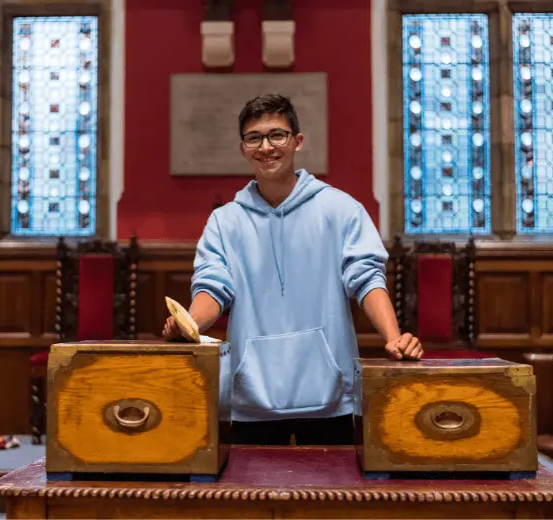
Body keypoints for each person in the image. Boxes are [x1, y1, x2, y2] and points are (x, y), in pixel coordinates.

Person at [163, 93, 423, 445]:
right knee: (249, 496)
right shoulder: (224, 222)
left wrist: (393, 338)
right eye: (254, 138)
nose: (266, 147)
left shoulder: (340, 208)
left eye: (277, 135)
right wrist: (189, 326)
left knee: (332, 496)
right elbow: (213, 286)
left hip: (329, 394)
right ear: (243, 148)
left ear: (297, 141)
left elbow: (366, 279)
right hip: (252, 393)